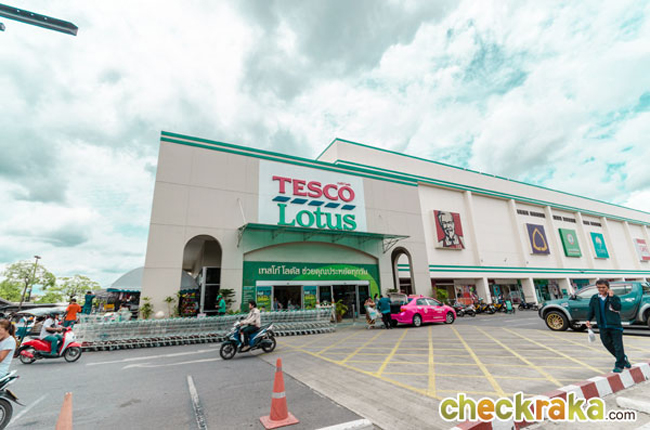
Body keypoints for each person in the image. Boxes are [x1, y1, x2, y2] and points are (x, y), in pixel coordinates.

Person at [585, 279, 630, 373]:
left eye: (603, 287)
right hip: (602, 326)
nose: (601, 289)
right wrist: (588, 319)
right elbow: (591, 309)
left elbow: (618, 307)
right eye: (599, 287)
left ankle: (619, 365)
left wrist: (611, 297)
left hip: (615, 326)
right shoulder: (595, 298)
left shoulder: (614, 297)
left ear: (608, 287)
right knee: (607, 343)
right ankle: (623, 358)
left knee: (618, 346)